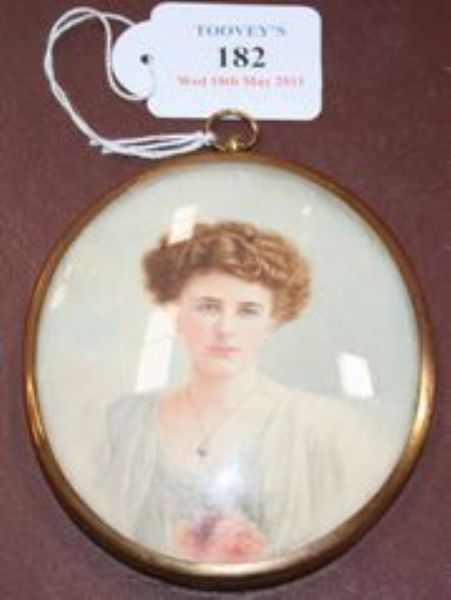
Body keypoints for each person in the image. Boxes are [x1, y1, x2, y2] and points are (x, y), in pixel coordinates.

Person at [99, 220, 398, 563]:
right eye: (208, 307)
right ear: (176, 313)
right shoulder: (125, 420)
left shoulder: (320, 428)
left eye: (248, 311)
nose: (225, 329)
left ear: (272, 321)